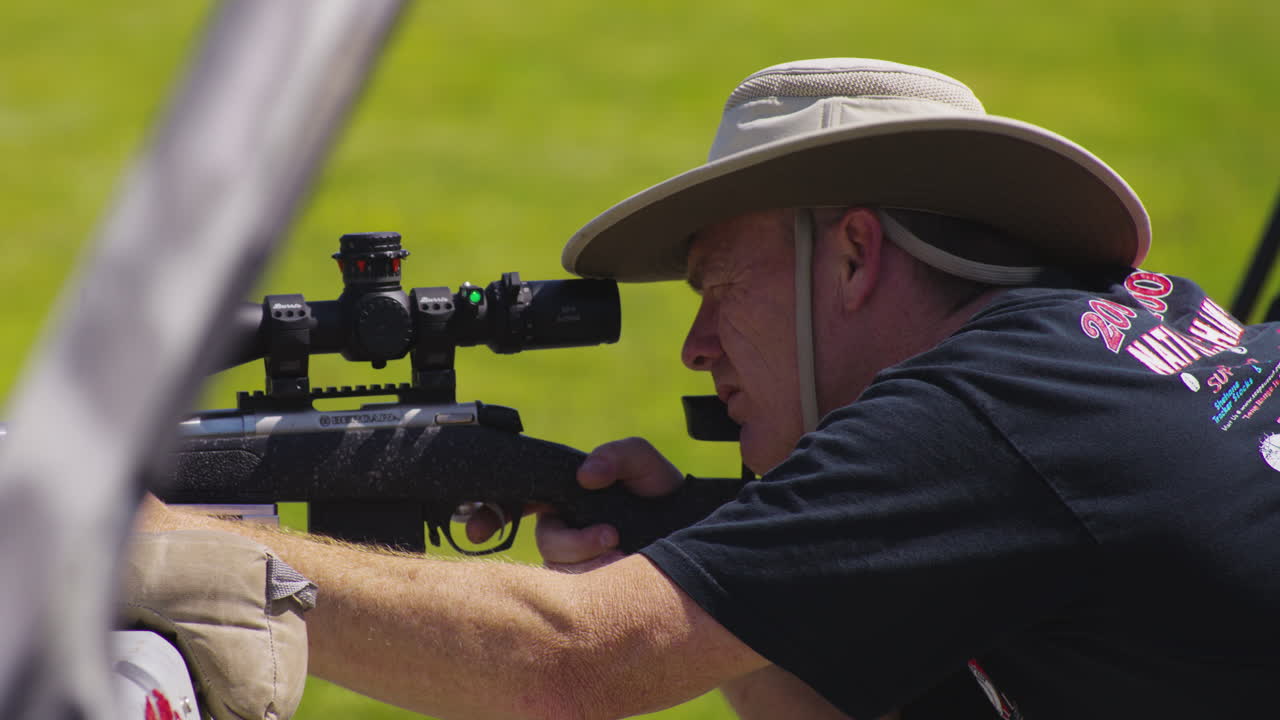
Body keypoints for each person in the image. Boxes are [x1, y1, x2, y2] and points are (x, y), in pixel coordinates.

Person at [137, 57, 1280, 719]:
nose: (691, 348)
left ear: (850, 256)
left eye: (716, 286)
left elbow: (570, 657)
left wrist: (156, 553)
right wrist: (739, 571)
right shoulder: (1128, 330)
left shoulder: (987, 412)